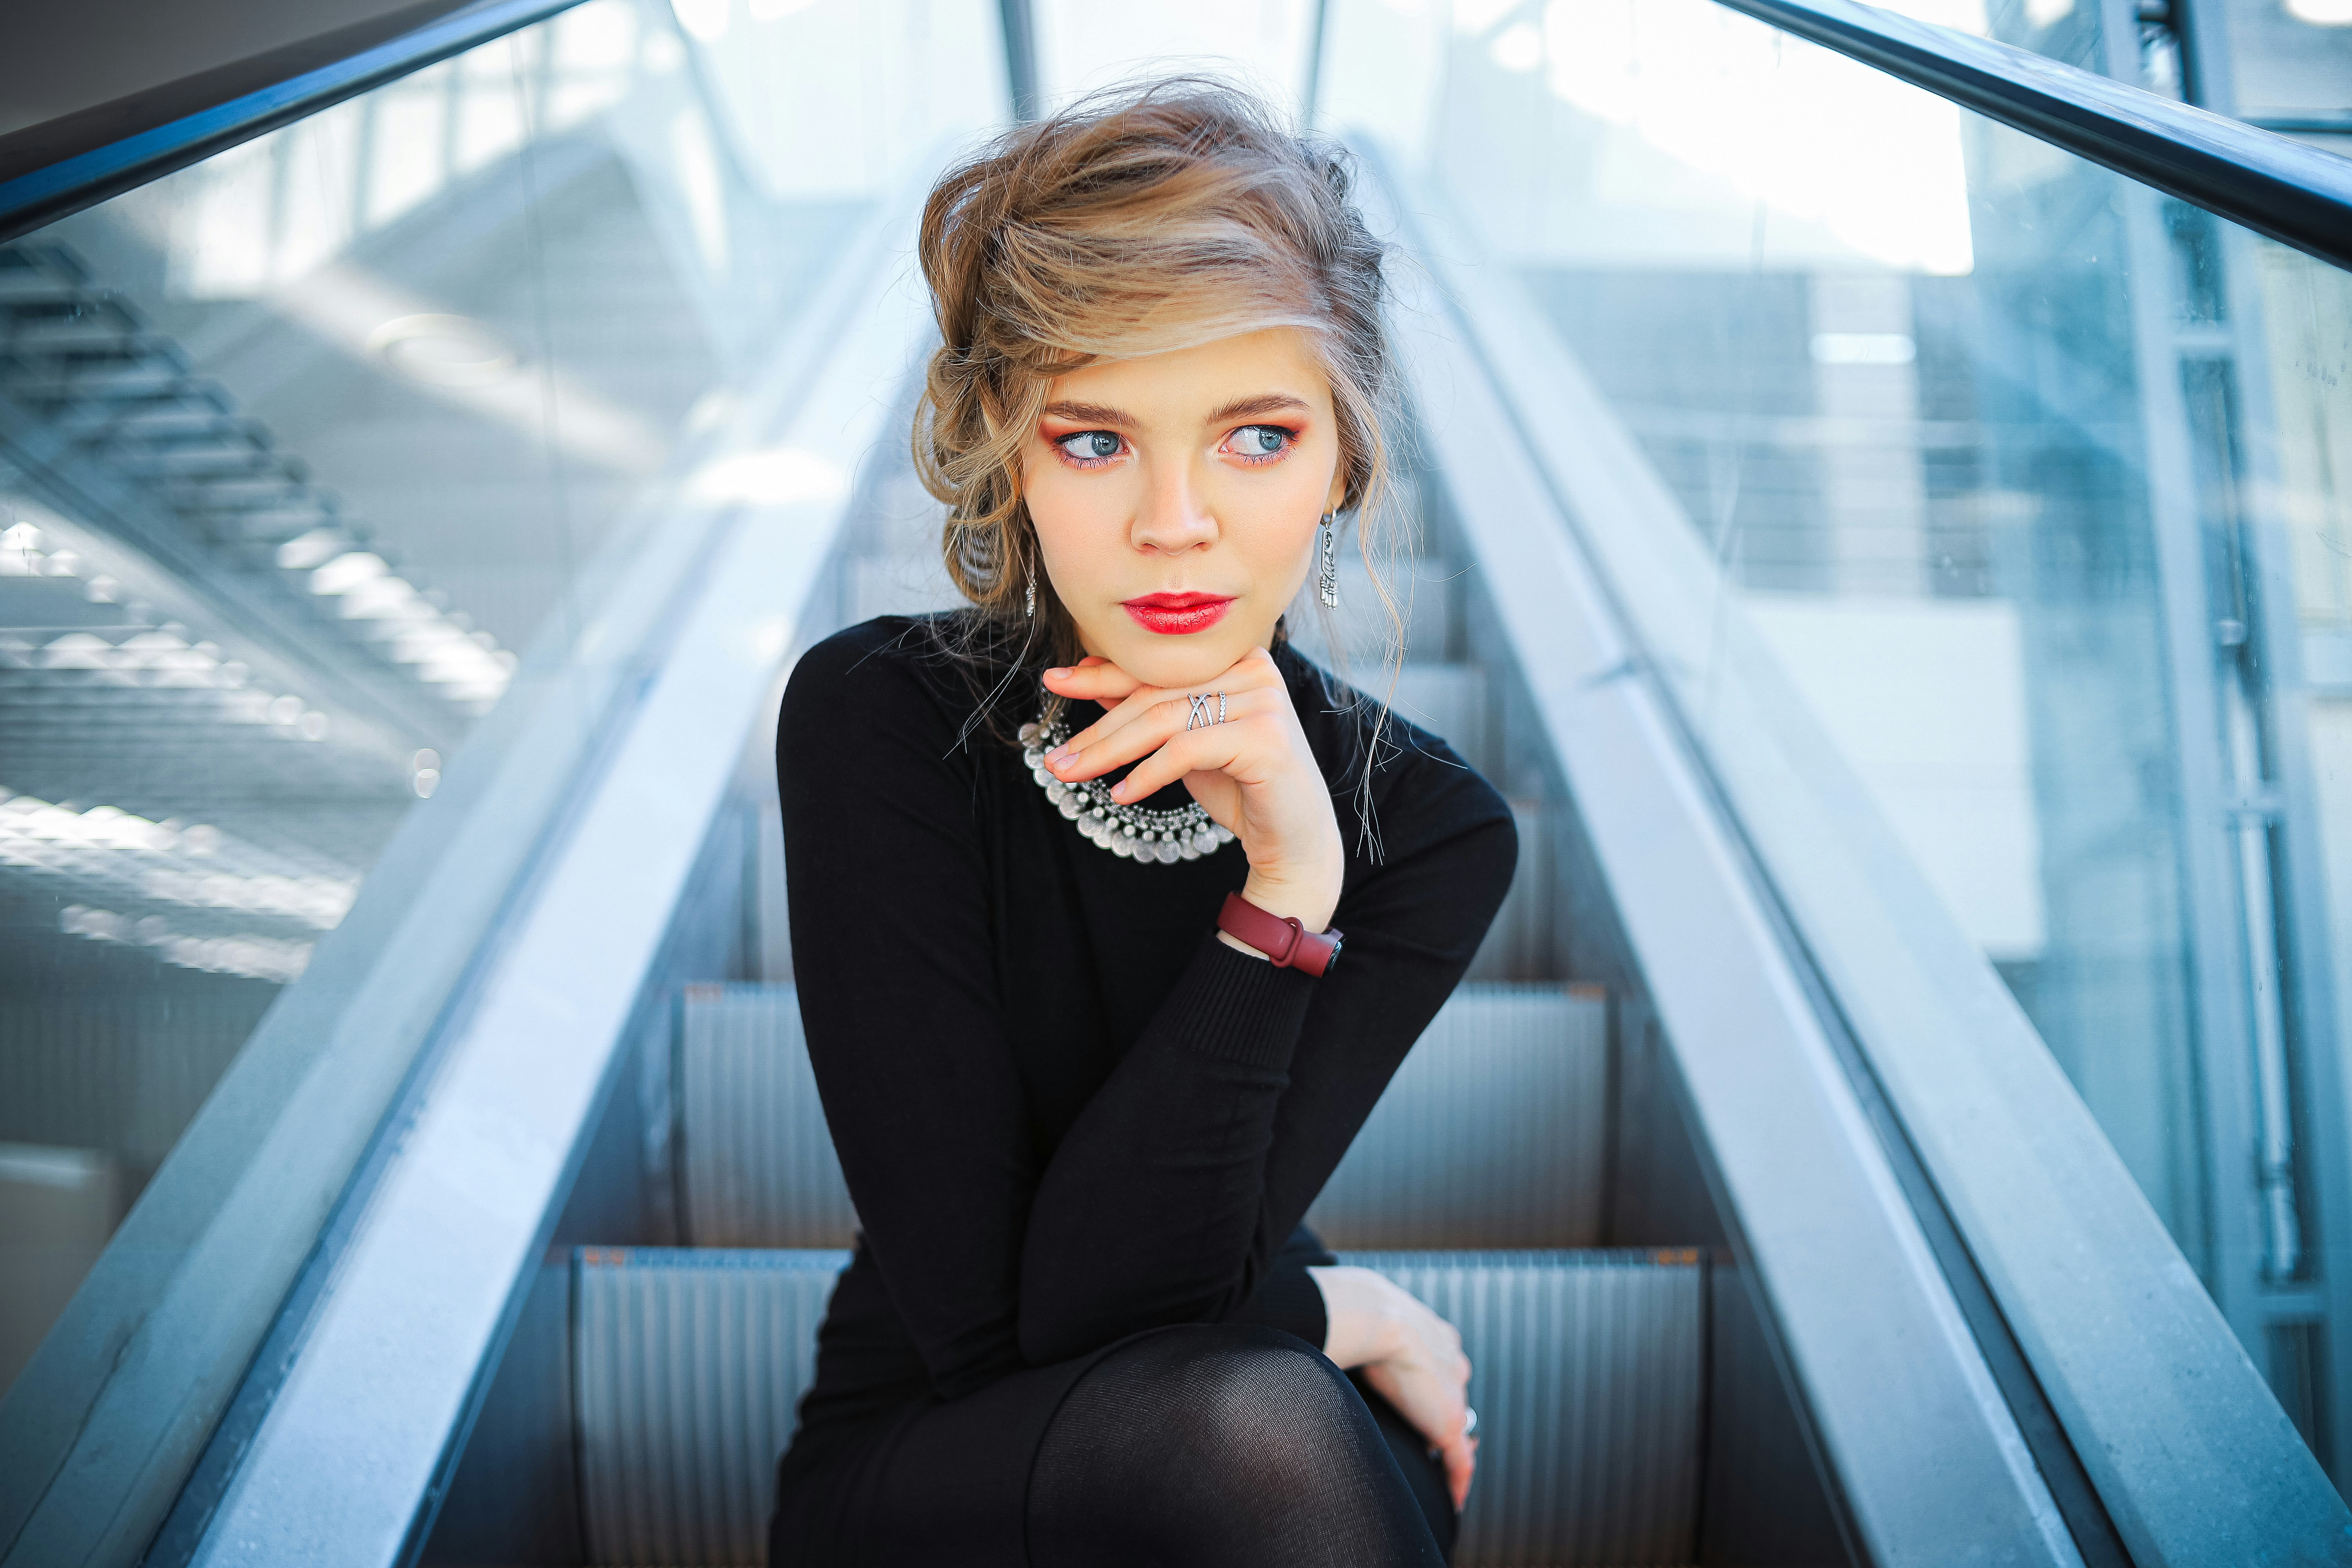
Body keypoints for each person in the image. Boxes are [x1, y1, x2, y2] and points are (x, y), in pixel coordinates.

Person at [770, 79, 1517, 1568]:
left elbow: (1159, 1301)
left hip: (1222, 1332)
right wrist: (1344, 1309)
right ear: (1012, 451)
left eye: (1254, 437)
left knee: (1285, 1445)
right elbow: (1006, 1336)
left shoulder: (1427, 828)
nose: (1176, 521)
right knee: (1257, 1433)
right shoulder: (885, 719)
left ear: (1343, 461)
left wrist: (1300, 868)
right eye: (1098, 439)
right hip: (939, 1440)